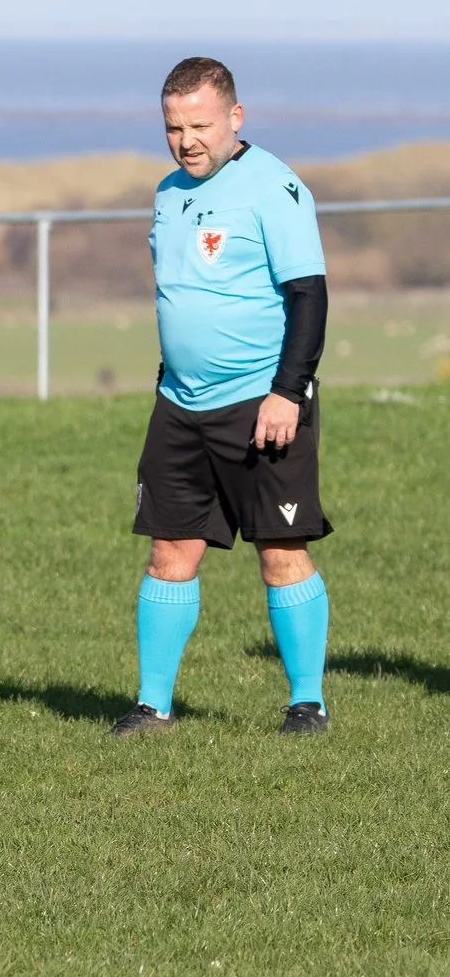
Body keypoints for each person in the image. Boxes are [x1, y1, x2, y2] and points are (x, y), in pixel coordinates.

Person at [117, 57, 332, 736]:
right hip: (180, 405)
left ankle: (307, 703)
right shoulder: (167, 192)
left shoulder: (276, 187)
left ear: (235, 118)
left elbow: (309, 296)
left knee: (281, 551)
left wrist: (286, 393)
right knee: (168, 553)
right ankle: (154, 707)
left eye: (200, 125)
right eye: (174, 127)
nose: (187, 141)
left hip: (261, 404)